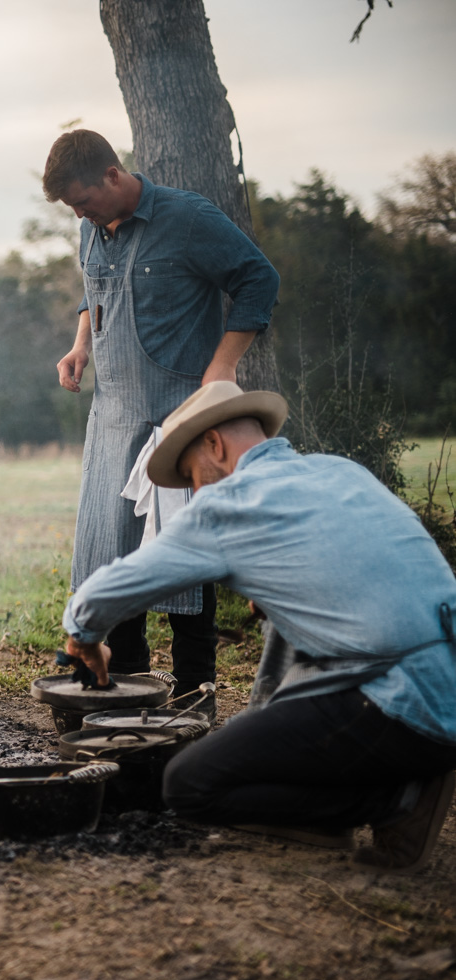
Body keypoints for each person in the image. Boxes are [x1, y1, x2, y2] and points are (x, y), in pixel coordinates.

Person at [63, 382, 456, 872]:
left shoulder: (226, 504)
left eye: (191, 478)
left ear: (214, 444)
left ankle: (395, 800)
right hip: (446, 679)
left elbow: (111, 589)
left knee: (189, 785)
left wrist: (84, 636)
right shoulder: (340, 471)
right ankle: (388, 778)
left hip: (401, 705)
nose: (196, 493)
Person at [43, 130, 281, 712]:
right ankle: (123, 687)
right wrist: (81, 345)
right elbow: (91, 289)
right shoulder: (90, 227)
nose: (81, 215)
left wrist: (222, 366)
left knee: (183, 554)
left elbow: (258, 278)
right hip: (112, 417)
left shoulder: (187, 218)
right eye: (74, 209)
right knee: (113, 554)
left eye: (85, 202)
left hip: (176, 418)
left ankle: (195, 692)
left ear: (113, 175)